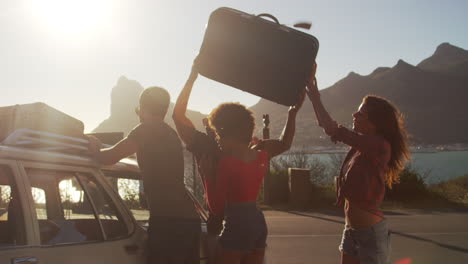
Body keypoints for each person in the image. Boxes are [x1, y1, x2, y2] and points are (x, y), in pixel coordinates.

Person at [172, 61, 306, 264]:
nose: (216, 137)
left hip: (226, 227)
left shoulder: (211, 149)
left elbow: (178, 116)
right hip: (257, 222)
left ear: (222, 132)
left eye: (217, 132)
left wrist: (192, 77)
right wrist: (292, 114)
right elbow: (285, 143)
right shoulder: (258, 151)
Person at [306, 64, 410, 264]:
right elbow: (327, 126)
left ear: (374, 122)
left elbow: (332, 128)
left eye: (360, 114)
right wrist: (313, 95)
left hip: (370, 236)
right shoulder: (361, 148)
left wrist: (315, 95)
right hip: (351, 231)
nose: (354, 115)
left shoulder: (380, 146)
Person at [88, 86, 200, 264]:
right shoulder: (170, 134)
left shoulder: (144, 129)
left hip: (168, 221)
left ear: (143, 107)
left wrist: (93, 144)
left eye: (138, 110)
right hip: (189, 221)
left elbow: (107, 158)